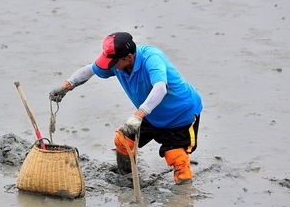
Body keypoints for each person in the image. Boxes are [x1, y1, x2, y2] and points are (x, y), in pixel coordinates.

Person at [49, 32, 203, 184]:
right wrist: (67, 86)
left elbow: (160, 88)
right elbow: (90, 70)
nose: (110, 66)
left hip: (180, 114)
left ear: (129, 57)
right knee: (122, 140)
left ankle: (184, 198)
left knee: (176, 157)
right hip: (151, 112)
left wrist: (138, 115)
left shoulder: (151, 58)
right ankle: (127, 177)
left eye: (114, 62)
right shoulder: (117, 65)